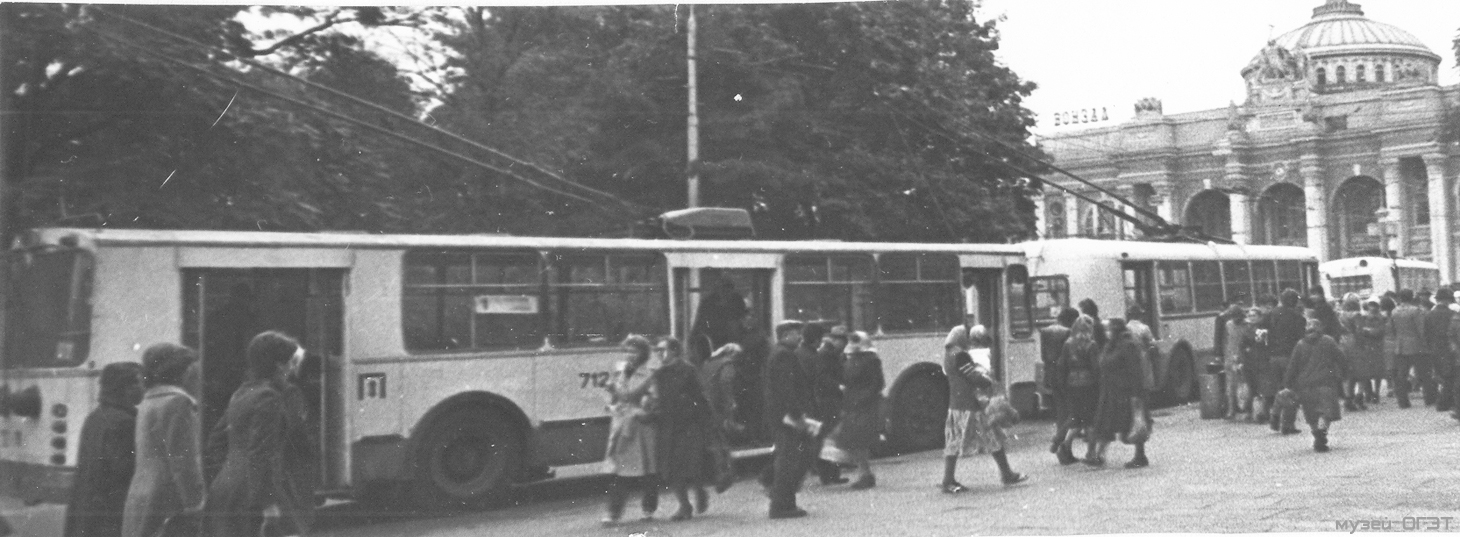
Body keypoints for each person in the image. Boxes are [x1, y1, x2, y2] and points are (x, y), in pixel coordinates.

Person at [205, 331, 314, 537]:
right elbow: (261, 453)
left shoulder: (242, 393)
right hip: (256, 492)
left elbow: (215, 442)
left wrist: (233, 469)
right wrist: (268, 503)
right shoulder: (269, 397)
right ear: (279, 365)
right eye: (290, 363)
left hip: (226, 487)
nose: (292, 369)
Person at [122, 344, 206, 537]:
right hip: (168, 499)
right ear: (183, 371)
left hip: (142, 494)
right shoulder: (179, 403)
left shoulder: (149, 401)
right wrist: (195, 505)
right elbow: (184, 463)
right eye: (194, 368)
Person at [940, 315, 1026, 493]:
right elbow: (973, 377)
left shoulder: (948, 354)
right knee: (993, 437)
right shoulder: (961, 355)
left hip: (955, 405)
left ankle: (948, 480)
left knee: (953, 442)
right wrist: (988, 382)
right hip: (970, 405)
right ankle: (1007, 474)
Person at [64, 362, 143, 537]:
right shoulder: (125, 422)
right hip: (109, 513)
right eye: (138, 382)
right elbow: (124, 471)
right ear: (124, 388)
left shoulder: (95, 416)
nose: (143, 387)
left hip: (87, 506)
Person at [647, 337, 713, 521]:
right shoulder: (659, 374)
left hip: (689, 425)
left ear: (675, 351)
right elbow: (658, 399)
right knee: (673, 468)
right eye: (657, 351)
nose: (659, 354)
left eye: (663, 350)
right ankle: (684, 505)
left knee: (693, 465)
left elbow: (701, 396)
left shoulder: (688, 370)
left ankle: (700, 491)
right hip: (668, 425)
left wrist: (703, 420)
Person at [601, 335, 660, 526]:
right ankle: (613, 513)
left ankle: (648, 507)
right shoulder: (621, 372)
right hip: (623, 426)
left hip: (641, 428)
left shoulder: (649, 374)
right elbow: (617, 398)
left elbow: (652, 399)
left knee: (648, 471)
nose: (629, 355)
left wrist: (642, 407)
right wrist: (611, 396)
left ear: (643, 353)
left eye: (633, 351)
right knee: (621, 471)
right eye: (627, 351)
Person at [763, 320, 816, 519]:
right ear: (785, 335)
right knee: (789, 461)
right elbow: (787, 390)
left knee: (790, 458)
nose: (800, 337)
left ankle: (784, 501)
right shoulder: (784, 356)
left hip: (781, 416)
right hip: (786, 418)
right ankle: (781, 505)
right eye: (796, 333)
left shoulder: (779, 353)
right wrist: (798, 416)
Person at [1086, 318, 1154, 469]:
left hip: (1126, 392)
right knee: (1104, 424)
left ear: (1116, 329)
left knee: (1133, 423)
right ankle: (1099, 455)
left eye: (1109, 329)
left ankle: (1140, 456)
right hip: (1111, 391)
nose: (1107, 332)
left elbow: (1135, 371)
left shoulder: (1128, 345)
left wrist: (1136, 395)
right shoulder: (1112, 345)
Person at [831, 331, 885, 490]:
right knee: (853, 441)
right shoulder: (851, 358)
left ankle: (865, 474)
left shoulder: (871, 360)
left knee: (858, 441)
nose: (852, 344)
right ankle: (865, 473)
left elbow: (877, 384)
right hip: (852, 405)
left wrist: (861, 399)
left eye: (855, 341)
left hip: (863, 406)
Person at [1283, 319, 1347, 452]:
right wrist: (1344, 373)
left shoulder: (1300, 344)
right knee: (1326, 411)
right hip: (1326, 382)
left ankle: (1316, 433)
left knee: (1311, 413)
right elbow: (1341, 358)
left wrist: (1287, 383)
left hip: (1305, 384)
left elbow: (1292, 366)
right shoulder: (1328, 341)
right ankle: (1321, 433)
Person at [798, 323, 847, 486]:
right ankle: (828, 474)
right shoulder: (818, 355)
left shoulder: (808, 353)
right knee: (826, 437)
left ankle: (829, 474)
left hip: (817, 400)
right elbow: (820, 379)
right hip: (824, 400)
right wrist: (839, 386)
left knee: (824, 438)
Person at [1051, 315, 1101, 465]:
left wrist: (1063, 385)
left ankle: (1062, 445)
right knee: (1091, 421)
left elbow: (1062, 366)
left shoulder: (1068, 344)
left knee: (1076, 419)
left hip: (1072, 385)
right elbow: (1096, 368)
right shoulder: (1091, 345)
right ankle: (1091, 453)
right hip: (1088, 386)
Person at [697, 343, 741, 494]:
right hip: (717, 406)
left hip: (704, 405)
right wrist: (730, 403)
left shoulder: (707, 364)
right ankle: (725, 474)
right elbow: (725, 382)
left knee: (713, 440)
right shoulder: (727, 365)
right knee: (721, 441)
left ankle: (719, 474)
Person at [1041, 307, 1081, 457]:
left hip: (1051, 374)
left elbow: (1044, 356)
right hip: (1065, 376)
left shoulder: (1045, 331)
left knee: (1061, 412)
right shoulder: (1067, 333)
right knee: (1073, 412)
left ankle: (1063, 450)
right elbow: (1069, 356)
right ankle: (1059, 442)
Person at [1265, 289, 1306, 434]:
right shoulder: (1298, 318)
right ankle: (1287, 425)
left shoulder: (1269, 315)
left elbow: (1261, 335)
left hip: (1272, 357)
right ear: (1294, 301)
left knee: (1280, 389)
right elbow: (1302, 341)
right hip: (1290, 357)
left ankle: (1274, 417)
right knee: (1292, 390)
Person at [1387, 289, 1430, 408]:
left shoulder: (1395, 311)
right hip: (1416, 345)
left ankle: (1403, 401)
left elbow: (1392, 329)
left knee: (1401, 374)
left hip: (1400, 345)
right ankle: (1429, 398)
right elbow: (1421, 329)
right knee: (1423, 372)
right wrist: (1425, 344)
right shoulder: (1416, 311)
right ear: (1411, 297)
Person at [1352, 301, 1388, 407]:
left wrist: (1368, 331)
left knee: (1378, 372)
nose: (1372, 312)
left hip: (1377, 347)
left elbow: (1381, 331)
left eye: (1374, 310)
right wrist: (1370, 331)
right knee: (1367, 371)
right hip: (1367, 346)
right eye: (1370, 309)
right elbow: (1360, 331)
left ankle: (1376, 393)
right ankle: (1369, 393)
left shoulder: (1382, 319)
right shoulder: (1363, 318)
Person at [1425, 287, 1455, 413]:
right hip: (1448, 348)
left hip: (1434, 348)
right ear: (1448, 300)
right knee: (1450, 375)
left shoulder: (1429, 314)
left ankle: (1442, 401)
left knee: (1439, 374)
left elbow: (1426, 333)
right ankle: (1444, 403)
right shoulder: (1451, 314)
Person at [1240, 307, 1272, 422]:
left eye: (1254, 315)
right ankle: (1251, 412)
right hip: (1249, 362)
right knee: (1251, 387)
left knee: (1263, 388)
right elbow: (1242, 345)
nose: (1251, 318)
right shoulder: (1246, 329)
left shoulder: (1264, 328)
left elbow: (1264, 343)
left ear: (1259, 316)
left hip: (1262, 361)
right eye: (1250, 315)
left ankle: (1263, 413)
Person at [1335, 295, 1367, 411]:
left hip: (1343, 342)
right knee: (1361, 371)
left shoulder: (1340, 315)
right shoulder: (1357, 315)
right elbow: (1359, 331)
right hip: (1354, 342)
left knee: (1347, 371)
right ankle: (1359, 394)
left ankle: (1348, 398)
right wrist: (1363, 343)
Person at [1223, 304, 1253, 420]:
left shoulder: (1248, 325)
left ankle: (1248, 410)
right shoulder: (1228, 325)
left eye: (1235, 316)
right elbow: (1226, 341)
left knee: (1246, 384)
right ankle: (1231, 410)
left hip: (1244, 357)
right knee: (1231, 386)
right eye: (1231, 316)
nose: (1233, 319)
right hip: (1231, 357)